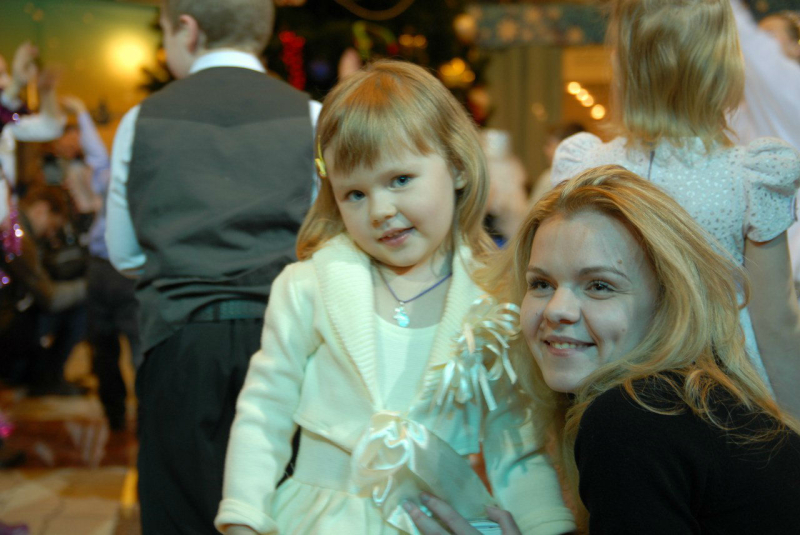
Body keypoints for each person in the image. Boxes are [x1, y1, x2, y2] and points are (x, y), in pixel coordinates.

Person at [215, 60, 575, 535]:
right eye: (354, 194)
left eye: (400, 180)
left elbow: (517, 450)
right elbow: (265, 414)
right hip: (321, 522)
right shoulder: (306, 287)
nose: (380, 210)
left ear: (458, 166)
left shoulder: (496, 304)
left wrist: (547, 527)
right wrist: (244, 517)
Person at [408, 165, 800, 534]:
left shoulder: (633, 418)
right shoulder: (698, 401)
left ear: (668, 303)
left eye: (599, 286)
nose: (557, 310)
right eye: (541, 284)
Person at [105, 0, 319, 532]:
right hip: (285, 340)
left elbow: (124, 252)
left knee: (179, 511)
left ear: (188, 28)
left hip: (180, 338)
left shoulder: (142, 119)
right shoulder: (312, 116)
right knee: (281, 504)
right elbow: (326, 242)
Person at [551, 0, 800, 417]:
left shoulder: (584, 167)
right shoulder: (749, 177)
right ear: (722, 62)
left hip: (610, 393)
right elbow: (776, 323)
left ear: (624, 59)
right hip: (723, 399)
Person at [59, 95, 139, 431]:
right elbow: (96, 154)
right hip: (102, 268)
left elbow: (97, 156)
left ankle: (141, 416)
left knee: (137, 347)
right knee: (104, 346)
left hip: (130, 272)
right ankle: (116, 414)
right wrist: (80, 113)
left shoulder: (139, 178)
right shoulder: (111, 175)